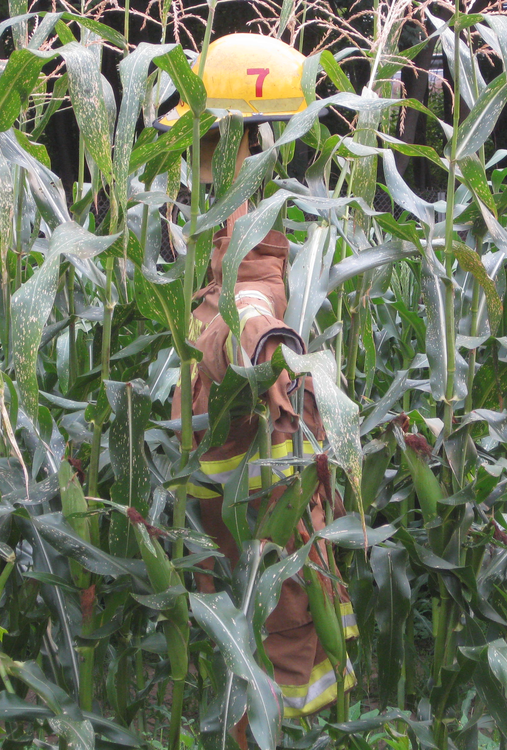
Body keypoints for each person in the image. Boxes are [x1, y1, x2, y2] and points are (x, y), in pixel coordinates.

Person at [158, 33, 358, 724]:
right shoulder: (221, 233)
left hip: (253, 476)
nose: (191, 166)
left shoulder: (246, 236)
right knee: (248, 603)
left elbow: (252, 307)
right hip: (233, 472)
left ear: (227, 145)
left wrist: (253, 343)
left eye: (201, 148)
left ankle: (266, 724)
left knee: (269, 612)